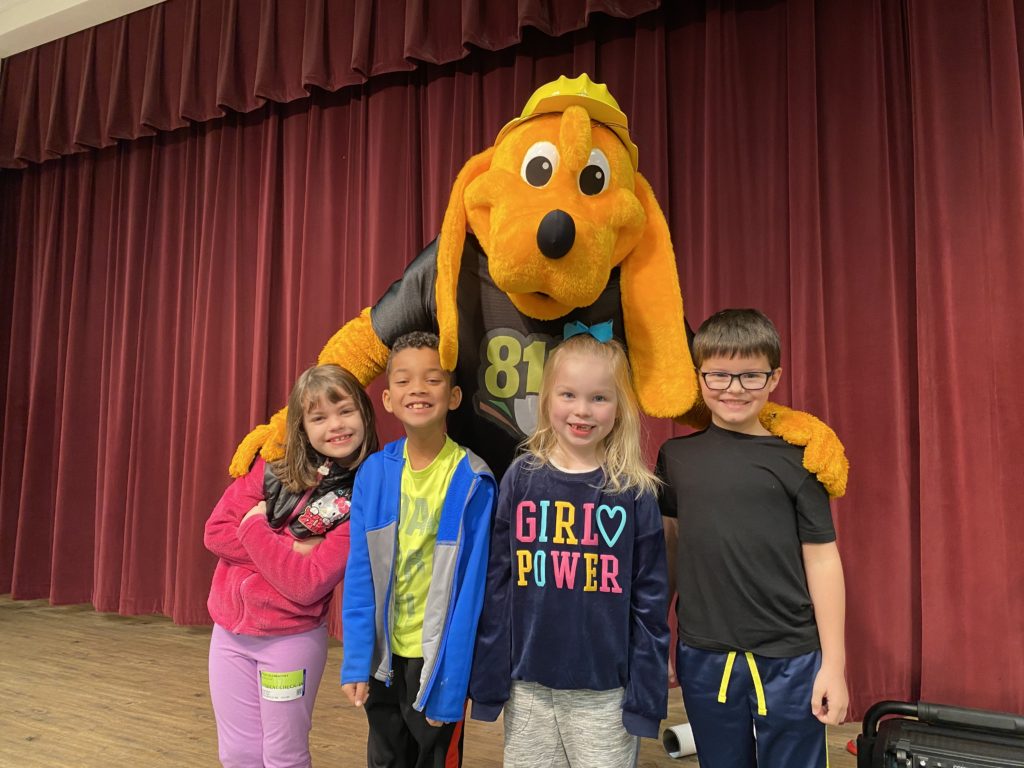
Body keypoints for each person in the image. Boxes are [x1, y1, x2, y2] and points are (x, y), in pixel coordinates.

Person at [657, 308, 849, 768]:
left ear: (774, 377)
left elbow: (823, 560)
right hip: (704, 654)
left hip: (791, 657)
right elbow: (670, 548)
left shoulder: (801, 460)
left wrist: (834, 665)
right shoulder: (676, 457)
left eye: (750, 376)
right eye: (719, 375)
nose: (734, 389)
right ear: (699, 376)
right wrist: (658, 636)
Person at [470, 330, 670, 768]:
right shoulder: (520, 478)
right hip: (529, 689)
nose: (582, 410)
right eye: (569, 394)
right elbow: (497, 588)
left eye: (599, 398)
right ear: (547, 400)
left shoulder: (634, 493)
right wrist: (488, 686)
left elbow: (650, 606)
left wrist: (644, 699)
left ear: (620, 409)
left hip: (604, 694)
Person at [204, 364, 379, 767]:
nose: (335, 425)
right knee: (238, 753)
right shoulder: (269, 468)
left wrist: (253, 528)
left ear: (365, 416)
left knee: (282, 755)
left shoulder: (362, 498)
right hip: (229, 637)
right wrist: (289, 547)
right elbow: (215, 532)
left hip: (289, 643)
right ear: (302, 426)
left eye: (345, 411)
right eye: (319, 417)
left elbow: (307, 585)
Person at [340, 331, 497, 768]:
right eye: (405, 381)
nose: (418, 390)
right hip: (384, 661)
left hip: (438, 664)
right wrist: (356, 661)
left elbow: (472, 596)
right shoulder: (373, 473)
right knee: (386, 759)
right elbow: (360, 576)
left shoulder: (474, 481)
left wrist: (454, 678)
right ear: (388, 399)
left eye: (432, 379)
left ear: (454, 395)